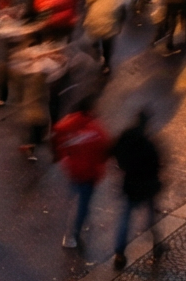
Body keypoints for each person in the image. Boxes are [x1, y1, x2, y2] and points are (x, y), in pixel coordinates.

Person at [108, 111, 166, 271]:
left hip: (130, 186)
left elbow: (113, 151)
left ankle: (119, 254)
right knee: (150, 218)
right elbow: (156, 166)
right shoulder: (149, 145)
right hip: (147, 187)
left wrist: (121, 166)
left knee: (125, 220)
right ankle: (157, 245)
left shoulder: (126, 137)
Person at [52, 99, 111, 255]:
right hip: (89, 173)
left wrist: (63, 157)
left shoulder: (67, 125)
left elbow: (58, 140)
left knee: (75, 198)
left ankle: (74, 221)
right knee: (83, 205)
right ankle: (71, 235)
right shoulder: (97, 131)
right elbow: (104, 151)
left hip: (73, 170)